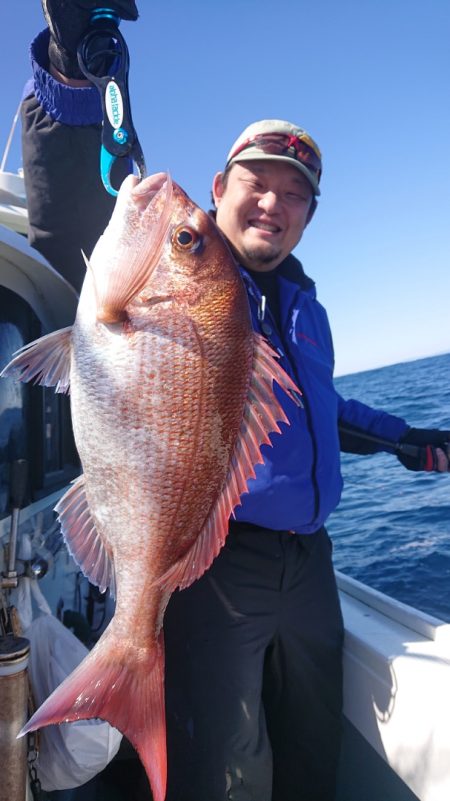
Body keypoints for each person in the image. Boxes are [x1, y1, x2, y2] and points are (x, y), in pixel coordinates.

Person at [20, 3, 450, 800]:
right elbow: (68, 209)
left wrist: (409, 440)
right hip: (214, 561)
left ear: (310, 216)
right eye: (259, 182)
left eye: (297, 195)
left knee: (311, 748)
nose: (274, 205)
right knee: (226, 770)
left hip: (312, 565)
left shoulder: (303, 305)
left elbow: (325, 413)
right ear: (221, 187)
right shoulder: (185, 274)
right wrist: (71, 70)